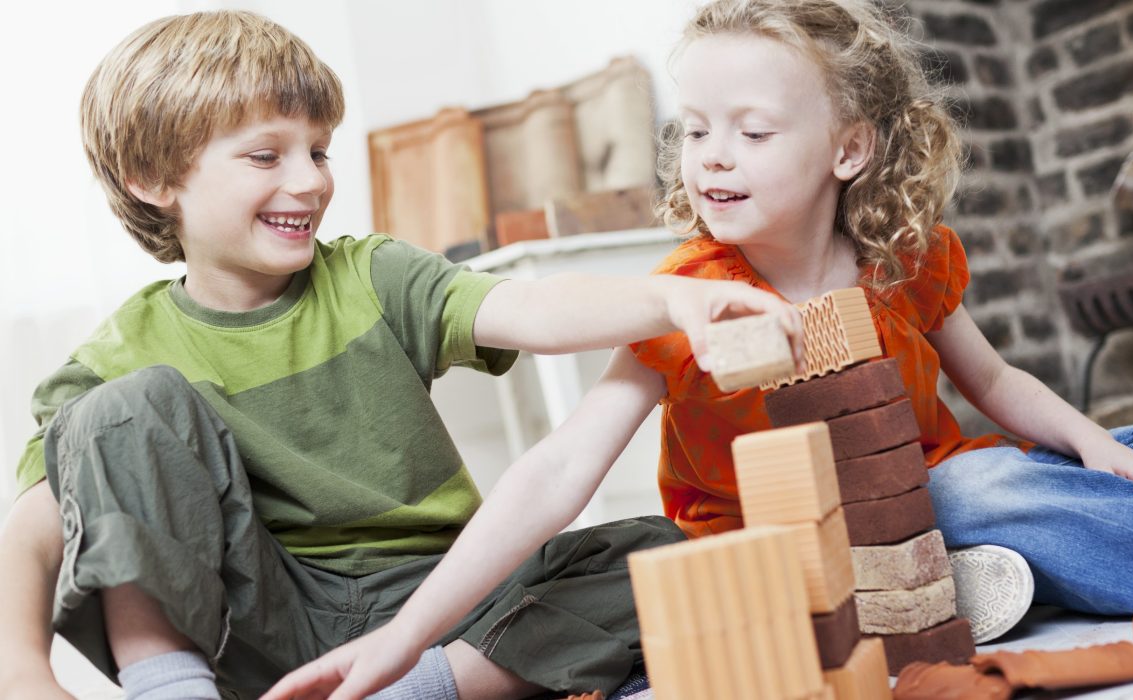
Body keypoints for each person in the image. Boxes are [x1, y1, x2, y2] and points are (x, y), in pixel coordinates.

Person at [269, 0, 1133, 696]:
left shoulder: (904, 256)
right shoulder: (689, 298)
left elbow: (995, 381)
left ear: (848, 147)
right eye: (695, 128)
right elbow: (557, 469)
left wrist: (1097, 441)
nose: (711, 156)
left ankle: (1008, 565)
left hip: (938, 493)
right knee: (992, 488)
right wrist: (409, 639)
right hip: (794, 552)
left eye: (750, 131)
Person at [0, 10, 803, 700]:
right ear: (152, 179)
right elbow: (34, 535)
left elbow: (525, 307)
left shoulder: (372, 275)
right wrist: (22, 672)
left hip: (441, 603)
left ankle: (425, 688)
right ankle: (172, 689)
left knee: (662, 557)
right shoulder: (117, 357)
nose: (309, 181)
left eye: (318, 151)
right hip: (265, 624)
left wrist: (669, 298)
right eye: (265, 156)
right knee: (117, 410)